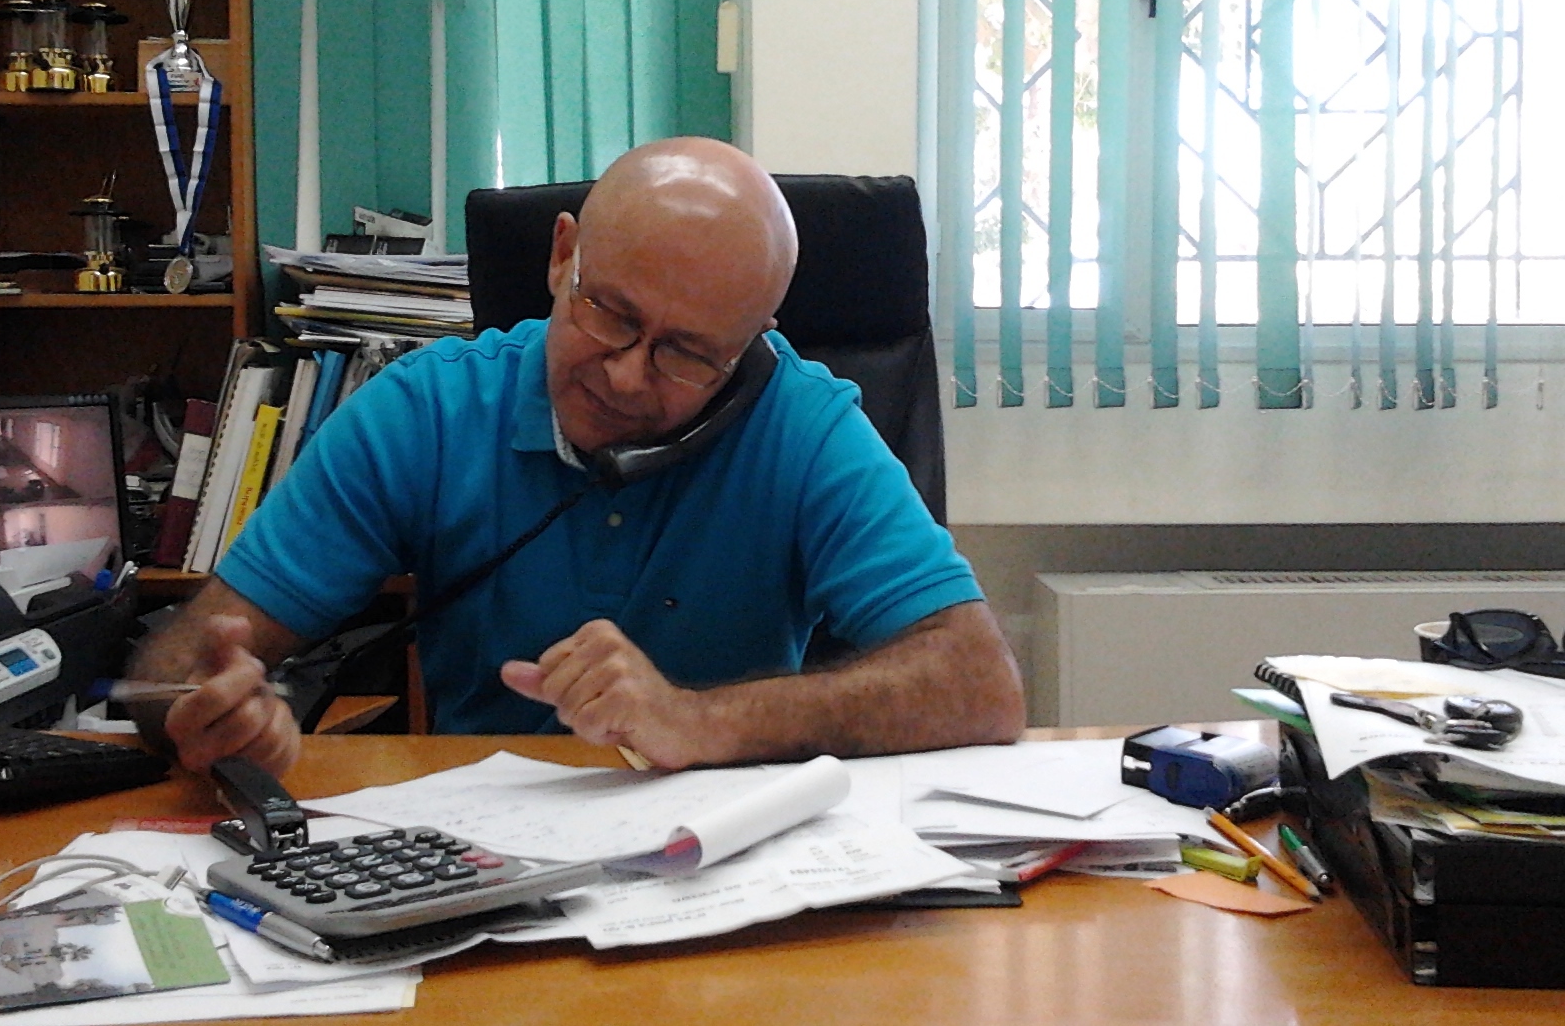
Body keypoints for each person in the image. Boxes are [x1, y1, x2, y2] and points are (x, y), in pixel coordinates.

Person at [128, 137, 1026, 777]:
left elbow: (978, 684)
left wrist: (696, 718)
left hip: (722, 870)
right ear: (563, 258)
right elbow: (178, 660)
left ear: (752, 343)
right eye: (613, 314)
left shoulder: (804, 424)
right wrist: (203, 710)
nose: (629, 377)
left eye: (686, 352)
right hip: (477, 865)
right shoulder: (427, 409)